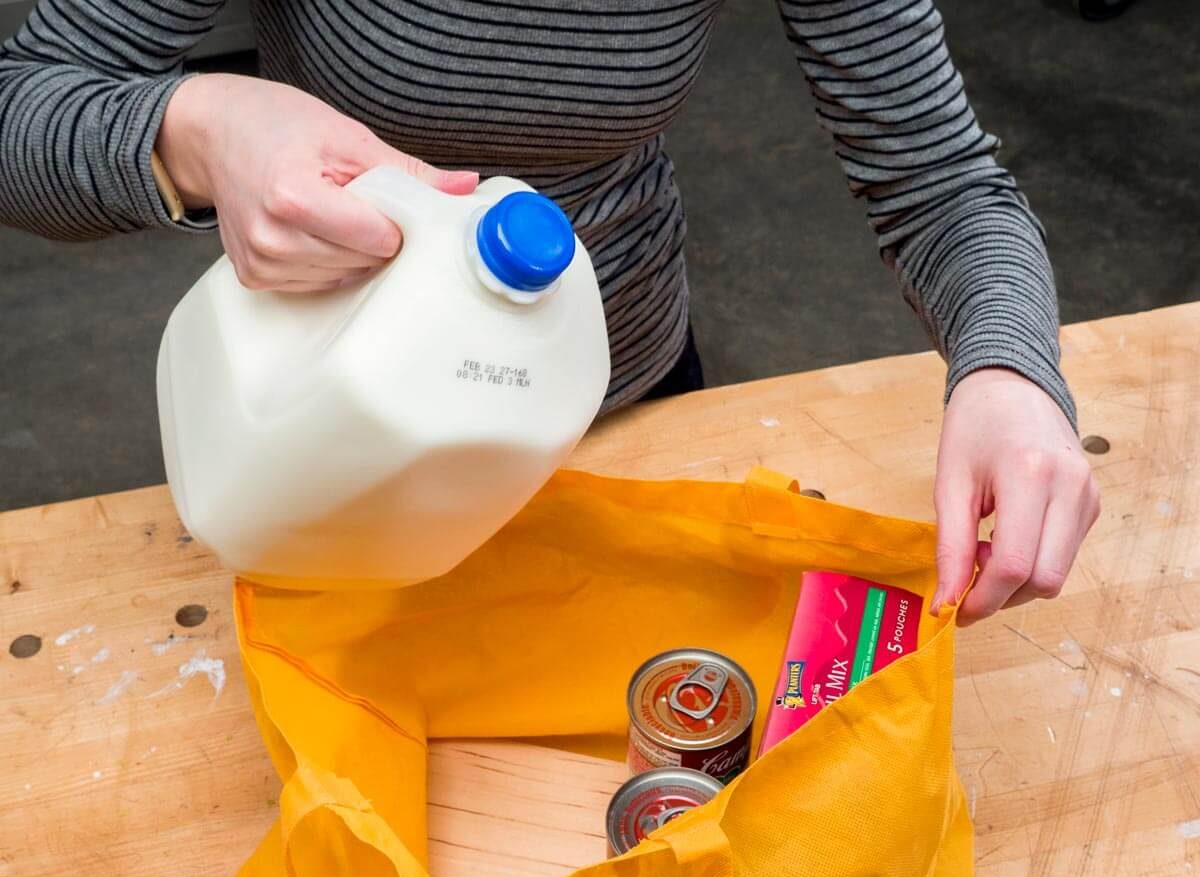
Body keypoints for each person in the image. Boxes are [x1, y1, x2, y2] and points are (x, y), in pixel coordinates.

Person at [0, 1, 1098, 623]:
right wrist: (197, 122)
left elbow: (940, 181)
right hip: (336, 441)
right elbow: (25, 104)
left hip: (618, 409)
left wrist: (1008, 372)